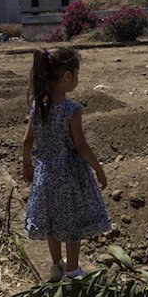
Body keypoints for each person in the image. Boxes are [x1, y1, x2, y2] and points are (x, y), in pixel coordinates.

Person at [22, 47, 110, 282]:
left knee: (52, 223)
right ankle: (72, 271)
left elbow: (26, 141)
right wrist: (99, 169)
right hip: (69, 174)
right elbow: (81, 146)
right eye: (77, 73)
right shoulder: (71, 110)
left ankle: (56, 267)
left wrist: (27, 165)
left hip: (45, 174)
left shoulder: (38, 106)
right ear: (67, 76)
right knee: (73, 224)